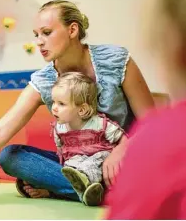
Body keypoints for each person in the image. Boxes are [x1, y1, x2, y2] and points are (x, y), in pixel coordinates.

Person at [0, 0, 155, 201]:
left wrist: (122, 150)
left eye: (46, 33)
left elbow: (152, 123)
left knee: (152, 165)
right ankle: (89, 189)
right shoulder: (44, 80)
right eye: (36, 34)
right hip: (78, 162)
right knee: (10, 156)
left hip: (128, 155)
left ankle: (67, 188)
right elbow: (0, 130)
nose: (39, 42)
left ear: (72, 30)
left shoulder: (115, 59)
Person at [106, 0, 186, 219]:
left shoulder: (170, 135)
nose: (40, 41)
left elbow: (145, 123)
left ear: (179, 49)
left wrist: (125, 147)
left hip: (112, 157)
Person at [43, 72, 126, 206]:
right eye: (54, 102)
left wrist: (116, 156)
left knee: (96, 160)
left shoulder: (99, 124)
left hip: (100, 159)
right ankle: (90, 192)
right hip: (74, 162)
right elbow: (61, 152)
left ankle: (84, 186)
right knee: (69, 167)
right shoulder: (59, 128)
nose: (54, 108)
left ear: (81, 110)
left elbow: (123, 140)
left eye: (61, 104)